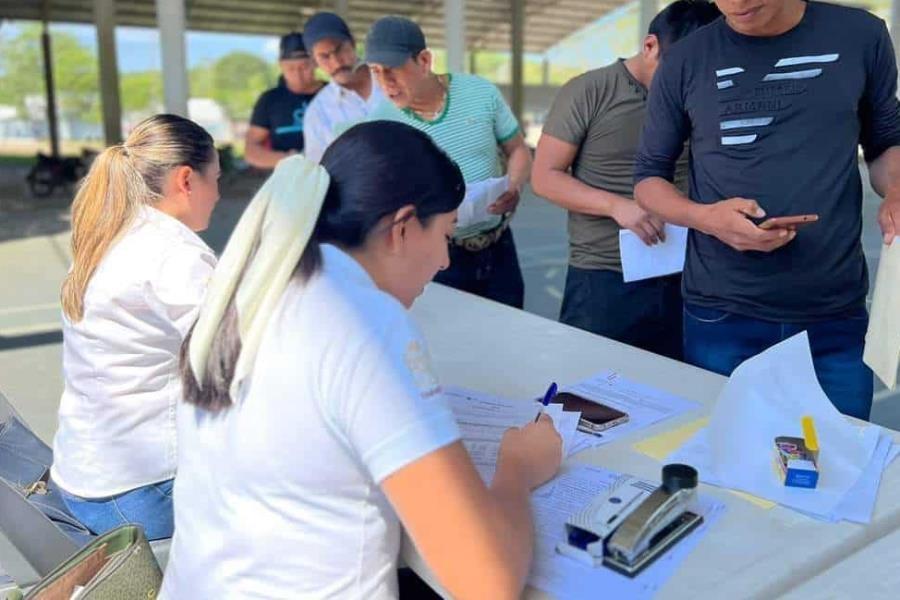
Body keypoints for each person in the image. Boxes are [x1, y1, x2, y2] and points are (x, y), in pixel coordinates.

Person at [161, 121, 562, 598]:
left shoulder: (256, 284)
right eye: (445, 237)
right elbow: (486, 581)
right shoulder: (363, 318)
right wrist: (517, 468)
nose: (444, 263)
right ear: (403, 228)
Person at [633, 0, 900, 419]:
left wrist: (897, 190)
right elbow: (648, 178)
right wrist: (706, 218)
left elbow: (885, 142)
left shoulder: (861, 36)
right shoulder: (687, 57)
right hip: (722, 313)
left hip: (832, 311)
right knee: (726, 468)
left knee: (838, 466)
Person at [52, 114, 220, 540]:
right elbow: (236, 360)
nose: (218, 194)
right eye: (215, 179)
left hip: (80, 476)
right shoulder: (175, 253)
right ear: (186, 180)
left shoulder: (105, 234)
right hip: (143, 491)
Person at [532, 0, 720, 359]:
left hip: (685, 272)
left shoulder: (700, 97)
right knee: (591, 393)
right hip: (603, 276)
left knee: (681, 389)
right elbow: (544, 177)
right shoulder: (590, 90)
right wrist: (617, 206)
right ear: (650, 47)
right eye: (679, 69)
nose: (689, 83)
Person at [366, 16, 531, 309]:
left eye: (393, 70)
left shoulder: (480, 93)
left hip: (499, 249)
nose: (385, 84)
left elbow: (518, 149)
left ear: (425, 60)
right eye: (376, 72)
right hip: (434, 262)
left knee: (511, 343)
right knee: (451, 349)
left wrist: (514, 186)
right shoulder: (382, 122)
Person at [301, 12, 385, 162]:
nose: (336, 62)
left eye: (339, 49)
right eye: (324, 56)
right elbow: (318, 171)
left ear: (352, 43)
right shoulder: (318, 114)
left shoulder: (395, 79)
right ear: (314, 61)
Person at [245, 32, 324, 169]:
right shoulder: (270, 100)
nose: (298, 75)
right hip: (289, 179)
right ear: (281, 65)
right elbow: (251, 151)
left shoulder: (334, 94)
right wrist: (289, 159)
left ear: (315, 63)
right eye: (290, 68)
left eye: (304, 67)